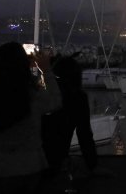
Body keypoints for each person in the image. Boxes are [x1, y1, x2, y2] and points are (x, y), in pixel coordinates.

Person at [0, 42, 62, 194]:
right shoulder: (33, 96)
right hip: (27, 170)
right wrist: (45, 70)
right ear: (24, 68)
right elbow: (55, 102)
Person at [41, 55, 99, 191]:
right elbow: (84, 134)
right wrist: (93, 165)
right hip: (56, 162)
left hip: (36, 159)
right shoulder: (78, 98)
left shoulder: (42, 95)